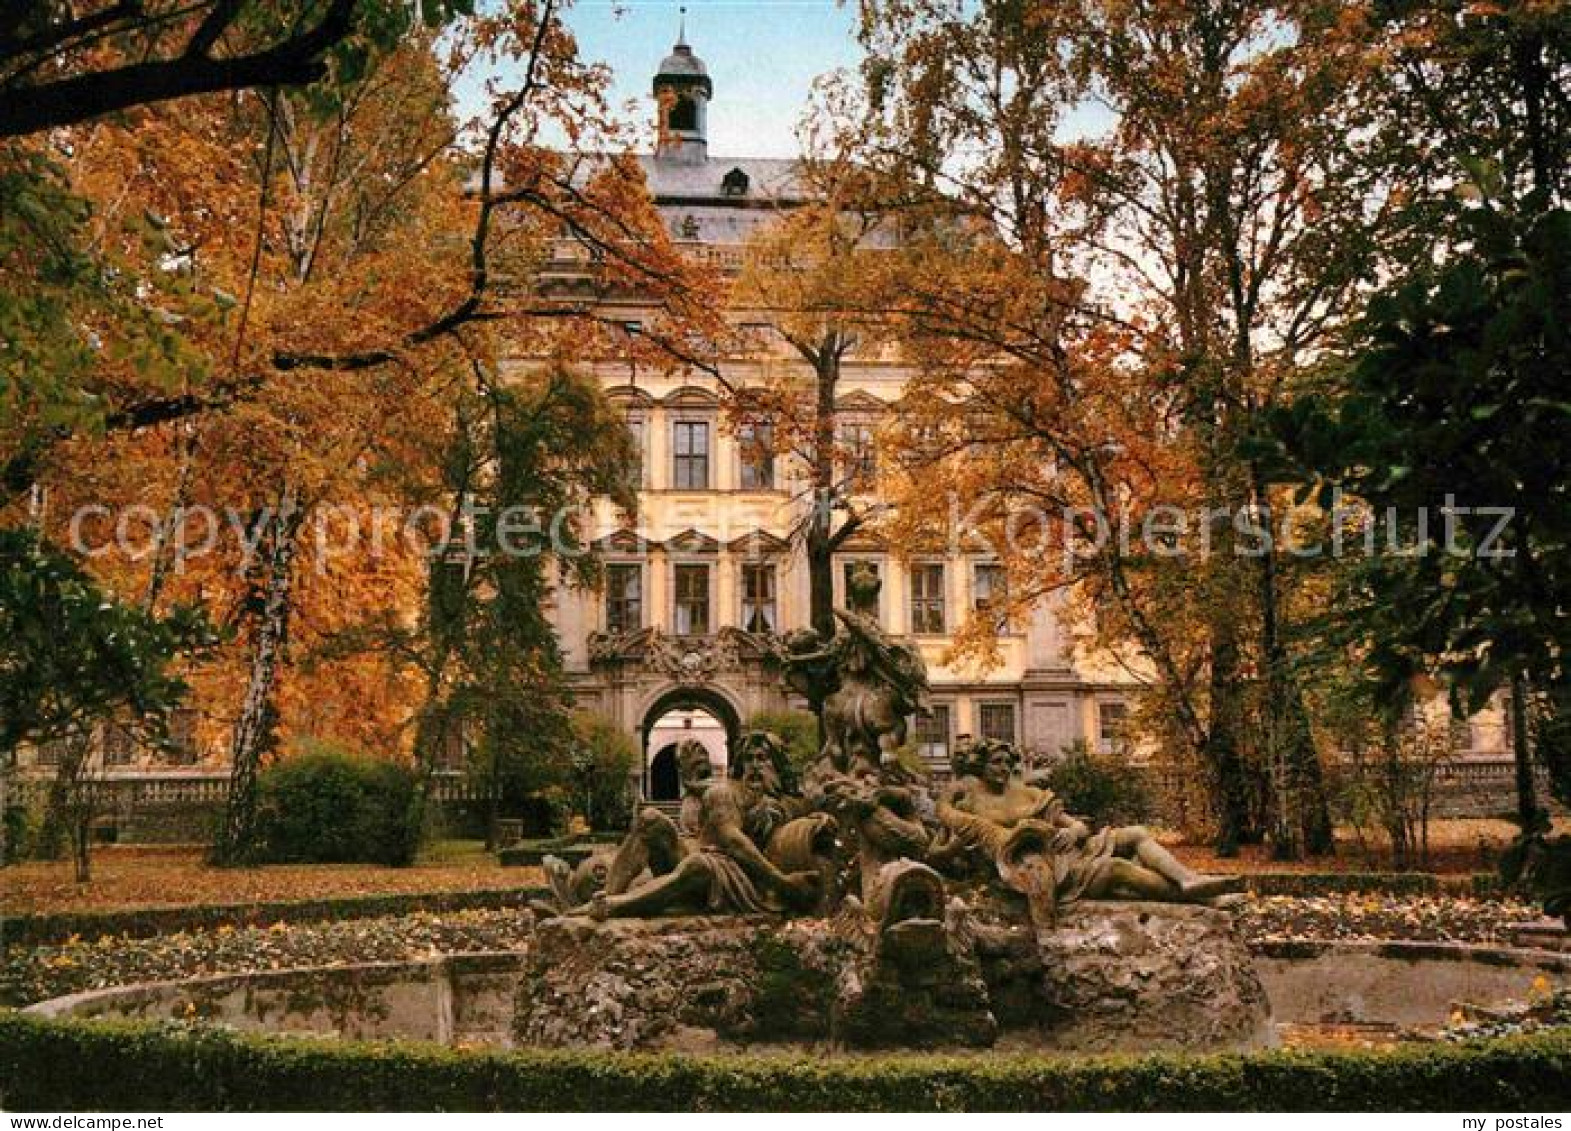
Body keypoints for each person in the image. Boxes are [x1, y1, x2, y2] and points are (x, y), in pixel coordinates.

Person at [937, 740, 1241, 915]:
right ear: (980, 764)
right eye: (996, 762)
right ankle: (1208, 901)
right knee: (1116, 869)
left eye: (1007, 763)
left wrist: (1072, 832)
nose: (1004, 769)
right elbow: (937, 852)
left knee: (1136, 833)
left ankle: (1189, 881)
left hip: (1069, 852)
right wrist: (962, 846)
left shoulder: (1026, 792)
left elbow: (1078, 826)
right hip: (1037, 872)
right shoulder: (967, 799)